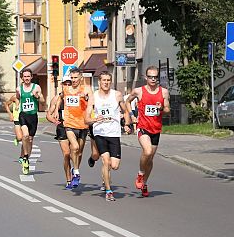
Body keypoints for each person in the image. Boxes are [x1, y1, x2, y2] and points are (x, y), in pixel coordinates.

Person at [85, 71, 132, 201]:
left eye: (108, 80)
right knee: (105, 160)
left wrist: (127, 123)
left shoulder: (117, 95)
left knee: (114, 165)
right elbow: (86, 119)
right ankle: (109, 190)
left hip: (114, 133)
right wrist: (95, 120)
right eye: (103, 80)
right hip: (100, 132)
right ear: (99, 82)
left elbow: (125, 111)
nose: (106, 83)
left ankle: (104, 178)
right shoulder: (94, 97)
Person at [125, 65, 170, 197]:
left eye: (155, 77)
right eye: (150, 77)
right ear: (146, 77)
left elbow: (168, 110)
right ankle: (140, 174)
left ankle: (144, 183)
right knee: (147, 150)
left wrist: (161, 108)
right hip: (142, 126)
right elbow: (128, 101)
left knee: (150, 160)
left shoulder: (164, 92)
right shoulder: (139, 91)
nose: (153, 80)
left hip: (156, 129)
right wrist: (132, 116)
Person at [61, 68, 94, 188]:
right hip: (69, 124)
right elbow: (59, 99)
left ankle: (75, 170)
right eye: (72, 78)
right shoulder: (65, 89)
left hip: (83, 125)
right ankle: (76, 173)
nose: (74, 80)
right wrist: (54, 111)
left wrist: (86, 98)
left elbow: (92, 102)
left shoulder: (86, 89)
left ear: (81, 78)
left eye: (76, 78)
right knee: (74, 147)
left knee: (79, 153)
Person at [46, 74, 73, 189]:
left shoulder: (76, 97)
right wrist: (56, 122)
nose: (67, 85)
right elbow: (48, 115)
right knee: (67, 154)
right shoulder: (57, 99)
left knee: (75, 153)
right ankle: (68, 179)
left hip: (74, 127)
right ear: (62, 84)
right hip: (62, 128)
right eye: (65, 83)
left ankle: (75, 168)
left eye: (69, 83)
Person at [15, 69, 44, 175]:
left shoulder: (36, 87)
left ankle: (26, 158)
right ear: (22, 78)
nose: (26, 78)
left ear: (31, 77)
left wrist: (37, 96)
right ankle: (25, 157)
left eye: (28, 76)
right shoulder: (19, 88)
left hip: (33, 116)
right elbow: (17, 98)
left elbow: (43, 102)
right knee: (25, 135)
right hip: (23, 115)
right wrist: (18, 104)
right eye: (25, 76)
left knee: (30, 139)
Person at [4, 94, 24, 160]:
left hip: (26, 119)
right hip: (17, 119)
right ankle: (17, 138)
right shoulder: (15, 97)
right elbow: (6, 104)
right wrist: (10, 114)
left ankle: (22, 156)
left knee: (25, 139)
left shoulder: (29, 96)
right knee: (20, 137)